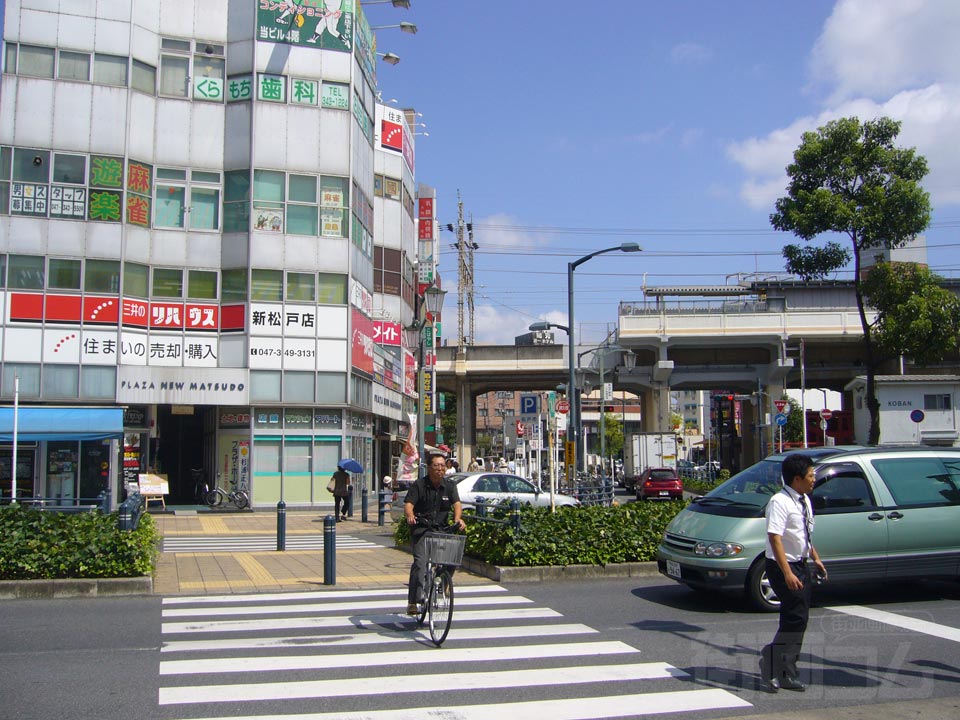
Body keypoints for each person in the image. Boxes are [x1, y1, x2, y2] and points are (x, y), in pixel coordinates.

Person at [759, 453, 827, 693]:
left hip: (800, 563)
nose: (814, 479)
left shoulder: (804, 500)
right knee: (795, 617)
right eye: (810, 475)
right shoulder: (779, 502)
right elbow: (775, 538)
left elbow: (803, 534)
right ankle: (772, 661)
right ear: (797, 479)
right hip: (782, 566)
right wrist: (787, 573)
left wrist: (815, 557)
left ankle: (785, 669)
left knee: (798, 617)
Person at [403, 453, 466, 615]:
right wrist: (410, 515)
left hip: (441, 529)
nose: (440, 469)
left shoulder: (449, 485)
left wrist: (458, 518)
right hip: (422, 529)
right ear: (429, 467)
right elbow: (409, 504)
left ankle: (443, 582)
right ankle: (414, 601)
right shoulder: (419, 485)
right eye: (436, 466)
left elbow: (457, 504)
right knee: (420, 564)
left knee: (453, 555)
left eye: (442, 466)